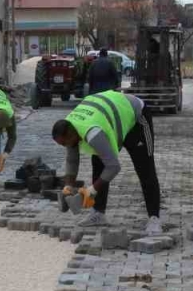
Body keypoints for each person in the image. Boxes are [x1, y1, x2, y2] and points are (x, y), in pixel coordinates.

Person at [50, 90, 162, 235]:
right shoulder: (69, 126)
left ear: (71, 134)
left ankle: (154, 218)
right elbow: (72, 159)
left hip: (135, 118)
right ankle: (98, 213)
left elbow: (114, 167)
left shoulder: (92, 133)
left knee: (145, 169)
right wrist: (68, 186)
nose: (65, 146)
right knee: (98, 165)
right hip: (109, 119)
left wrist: (90, 191)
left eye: (65, 143)